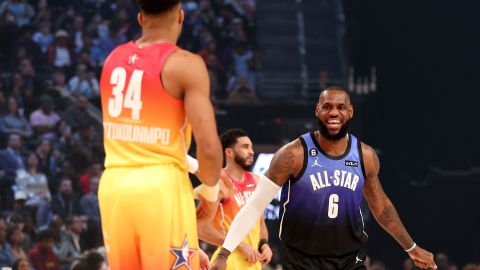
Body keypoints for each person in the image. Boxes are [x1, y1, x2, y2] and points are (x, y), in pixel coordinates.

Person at [210, 87, 437, 270]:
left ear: (351, 112)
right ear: (317, 110)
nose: (334, 112)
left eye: (341, 107)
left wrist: (411, 247)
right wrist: (223, 253)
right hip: (302, 261)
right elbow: (254, 206)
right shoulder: (293, 154)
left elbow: (381, 207)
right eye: (327, 106)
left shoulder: (365, 155)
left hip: (350, 259)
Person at [98, 0, 222, 269]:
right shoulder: (185, 64)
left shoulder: (112, 59)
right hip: (160, 185)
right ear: (180, 17)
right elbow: (210, 149)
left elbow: (141, 136)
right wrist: (210, 196)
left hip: (114, 185)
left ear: (141, 18)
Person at [195, 129, 272, 269]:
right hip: (227, 259)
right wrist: (241, 245)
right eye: (245, 147)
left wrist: (264, 243)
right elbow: (199, 228)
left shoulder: (256, 181)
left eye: (251, 147)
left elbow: (260, 222)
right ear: (229, 152)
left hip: (253, 261)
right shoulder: (218, 182)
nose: (251, 151)